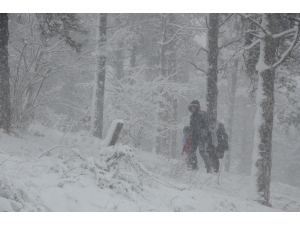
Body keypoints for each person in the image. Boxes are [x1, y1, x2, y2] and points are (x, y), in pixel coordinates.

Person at [188, 100, 211, 172]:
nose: (193, 108)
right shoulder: (192, 116)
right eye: (192, 107)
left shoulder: (202, 114)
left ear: (197, 107)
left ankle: (209, 167)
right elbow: (192, 127)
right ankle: (194, 167)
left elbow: (206, 126)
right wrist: (190, 135)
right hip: (194, 137)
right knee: (192, 152)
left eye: (194, 107)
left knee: (202, 151)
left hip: (201, 137)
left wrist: (203, 133)